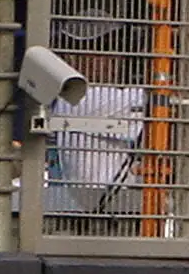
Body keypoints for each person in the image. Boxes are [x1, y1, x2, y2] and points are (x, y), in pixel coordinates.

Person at [42, 17, 145, 226]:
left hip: (116, 209)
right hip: (109, 216)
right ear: (71, 57)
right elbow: (163, 100)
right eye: (100, 50)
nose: (111, 58)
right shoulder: (82, 98)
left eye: (112, 49)